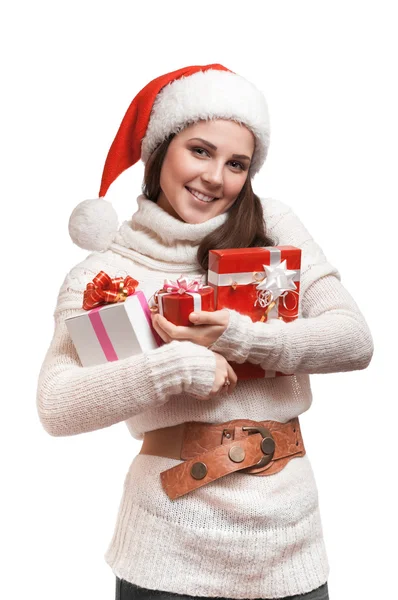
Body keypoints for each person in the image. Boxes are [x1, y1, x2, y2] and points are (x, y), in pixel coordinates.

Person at [36, 64, 373, 600]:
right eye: (200, 150)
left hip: (290, 544)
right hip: (165, 551)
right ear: (159, 151)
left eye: (236, 163)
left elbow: (355, 341)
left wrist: (240, 339)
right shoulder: (105, 273)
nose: (216, 177)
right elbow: (56, 405)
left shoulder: (273, 229)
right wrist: (173, 367)